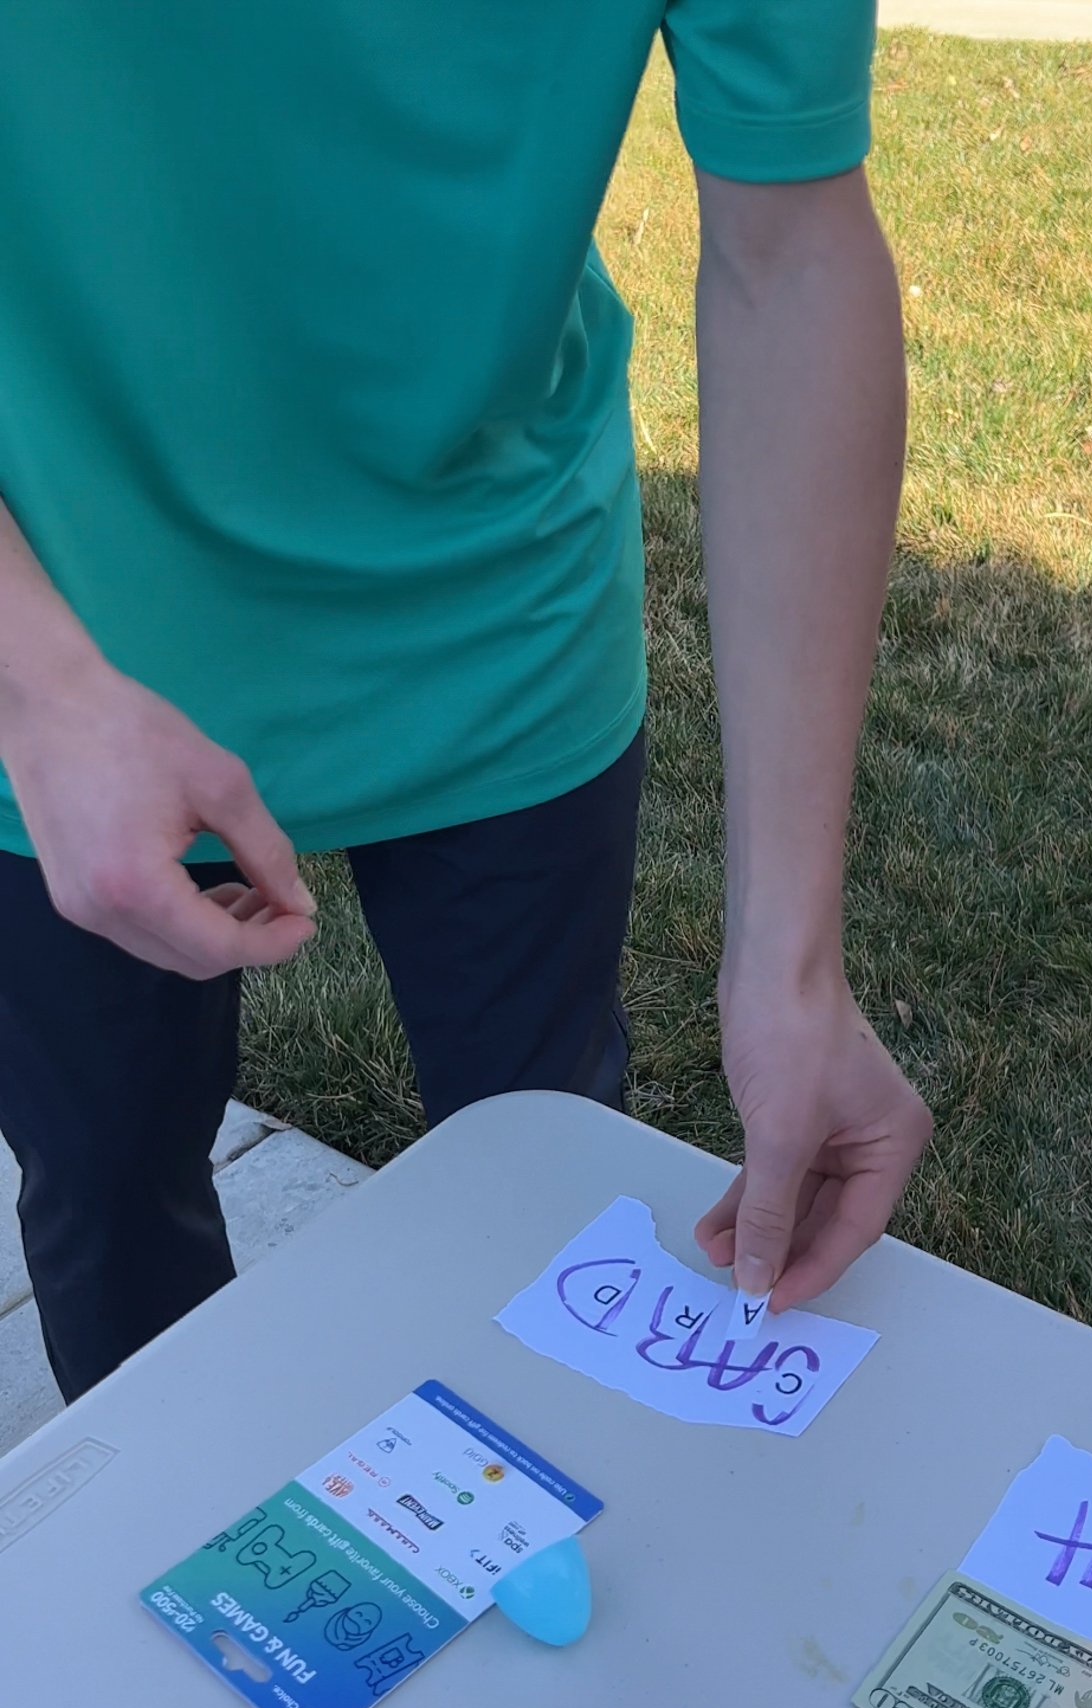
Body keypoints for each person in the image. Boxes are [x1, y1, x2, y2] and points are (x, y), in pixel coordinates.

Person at [0, 2, 931, 1403]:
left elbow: (791, 244)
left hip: (501, 598)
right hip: (58, 604)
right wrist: (35, 683)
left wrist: (792, 954)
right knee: (113, 1194)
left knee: (542, 1187)